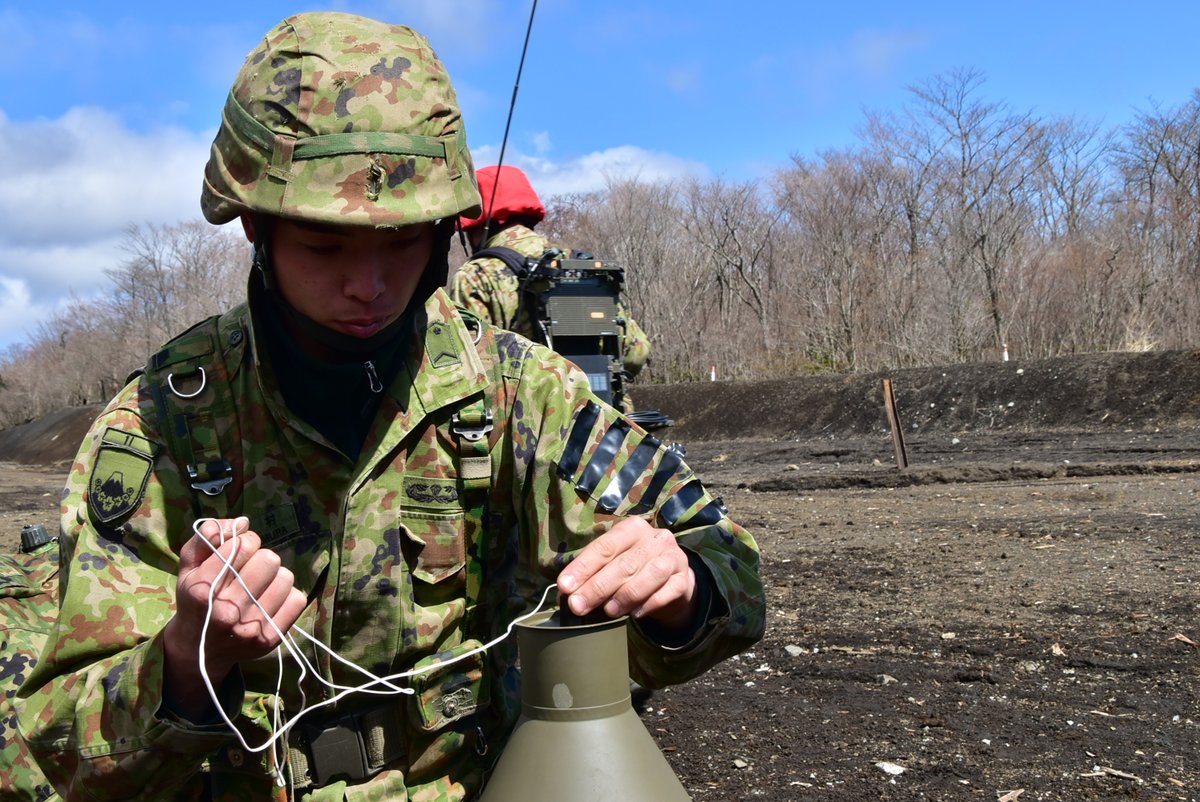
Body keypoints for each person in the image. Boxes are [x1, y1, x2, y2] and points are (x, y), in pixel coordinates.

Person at [16, 12, 764, 801]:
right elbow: (58, 747)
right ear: (254, 228)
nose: (368, 287)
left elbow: (732, 572)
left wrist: (679, 593)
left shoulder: (516, 393)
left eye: (403, 241)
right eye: (327, 247)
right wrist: (184, 659)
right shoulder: (165, 425)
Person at [450, 165, 652, 385]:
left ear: (480, 225)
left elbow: (470, 368)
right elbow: (637, 353)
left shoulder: (475, 277)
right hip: (604, 414)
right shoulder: (579, 266)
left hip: (526, 416)